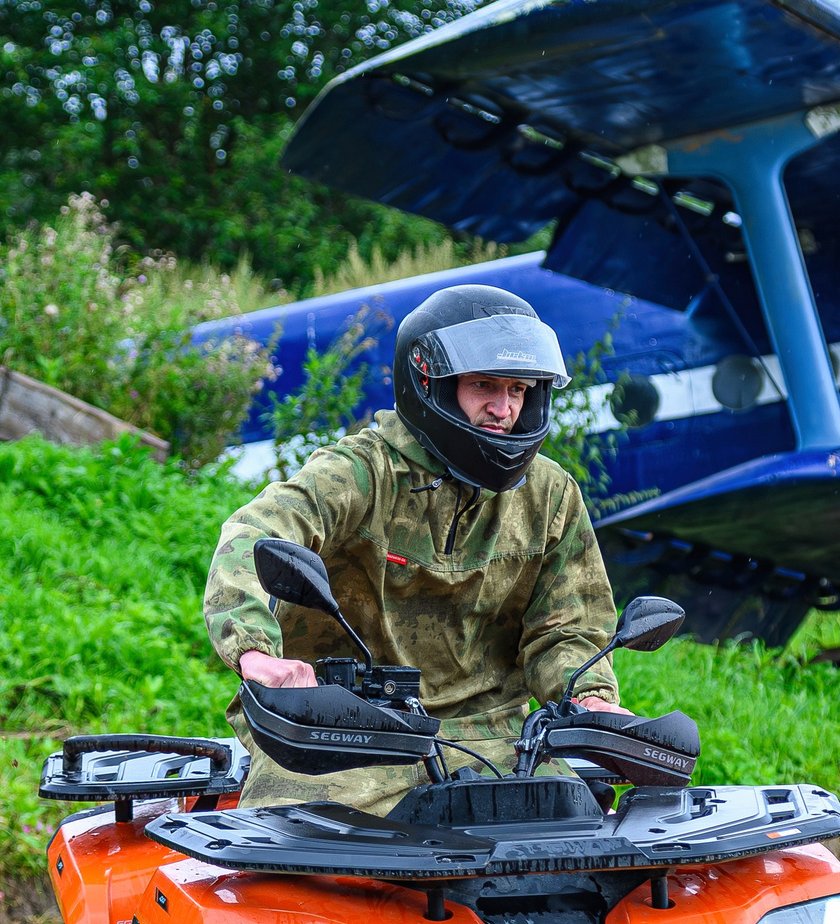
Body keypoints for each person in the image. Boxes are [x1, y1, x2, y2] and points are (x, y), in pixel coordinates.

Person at [203, 285, 630, 811]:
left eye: (518, 389)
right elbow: (255, 534)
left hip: (496, 738)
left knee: (577, 848)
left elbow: (568, 627)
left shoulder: (550, 494)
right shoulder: (362, 473)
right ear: (432, 384)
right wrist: (256, 654)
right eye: (484, 386)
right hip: (345, 725)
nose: (503, 409)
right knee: (300, 848)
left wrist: (590, 699)